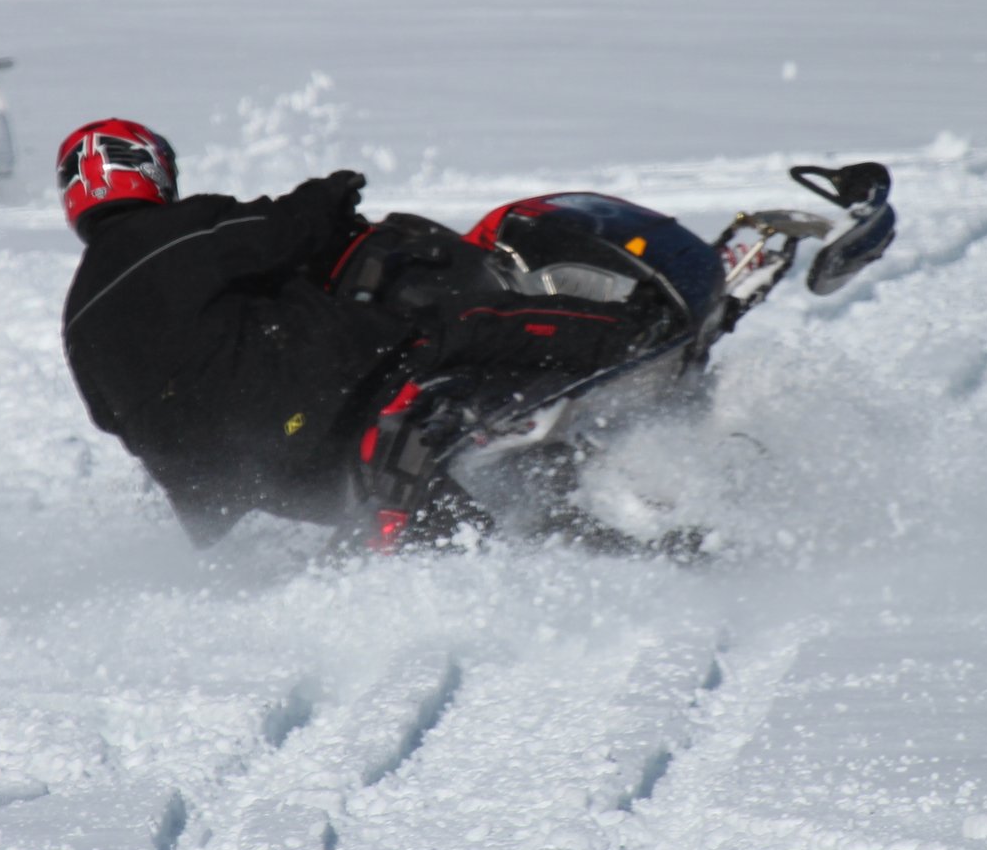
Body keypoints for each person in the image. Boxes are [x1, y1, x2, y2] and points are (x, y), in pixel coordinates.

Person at [57, 119, 640, 544]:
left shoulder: (77, 320)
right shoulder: (174, 231)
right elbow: (282, 231)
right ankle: (635, 336)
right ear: (145, 169)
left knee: (390, 481)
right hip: (297, 405)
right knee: (458, 327)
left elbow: (110, 420)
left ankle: (510, 548)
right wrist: (331, 192)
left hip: (251, 486)